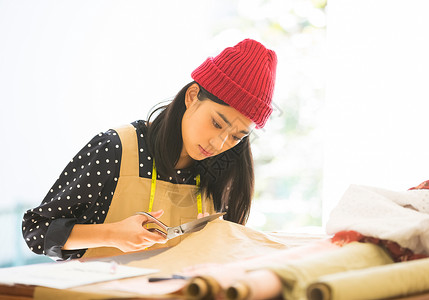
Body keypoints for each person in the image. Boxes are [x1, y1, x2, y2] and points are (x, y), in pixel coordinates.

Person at [22, 38, 278, 260]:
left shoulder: (226, 169)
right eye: (216, 123)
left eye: (236, 136)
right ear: (192, 96)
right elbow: (37, 231)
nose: (219, 144)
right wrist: (112, 234)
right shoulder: (116, 149)